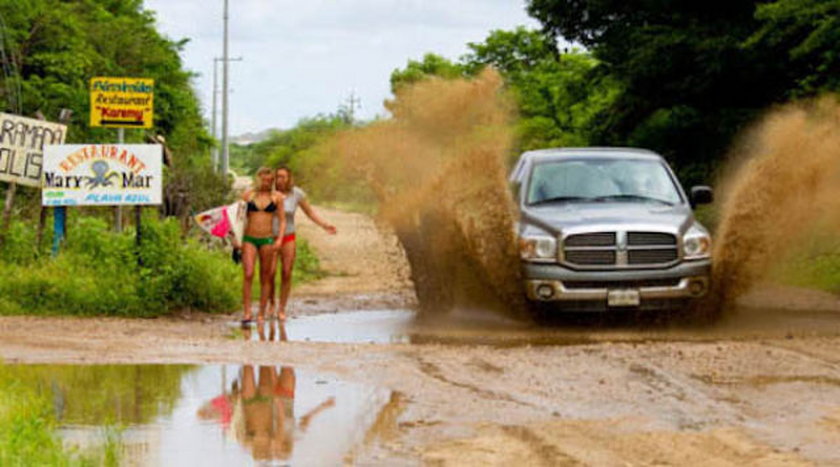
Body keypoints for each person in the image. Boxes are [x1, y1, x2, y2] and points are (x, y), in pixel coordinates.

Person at [268, 166, 337, 320]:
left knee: (286, 272)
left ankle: (282, 308)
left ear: (289, 178)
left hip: (288, 236)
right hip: (270, 236)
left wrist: (324, 225)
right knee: (270, 273)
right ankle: (271, 303)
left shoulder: (296, 193)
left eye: (283, 177)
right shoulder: (269, 193)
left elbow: (310, 212)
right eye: (278, 176)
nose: (280, 180)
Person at [240, 167, 286, 326]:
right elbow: (239, 218)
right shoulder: (248, 196)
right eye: (263, 179)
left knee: (265, 276)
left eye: (269, 180)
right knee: (248, 272)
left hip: (267, 239)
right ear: (257, 178)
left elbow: (282, 220)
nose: (266, 183)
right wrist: (235, 239)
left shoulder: (277, 197)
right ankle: (247, 311)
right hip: (249, 238)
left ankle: (261, 312)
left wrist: (279, 239)